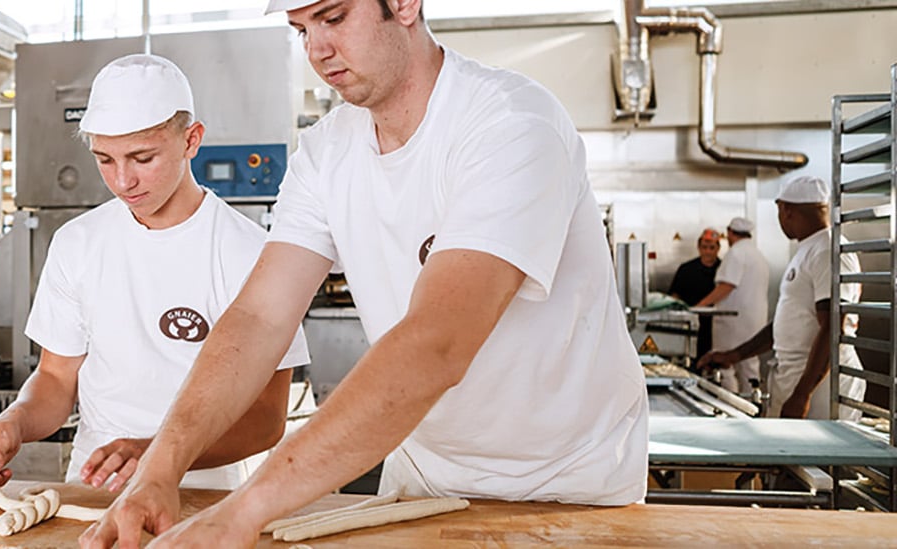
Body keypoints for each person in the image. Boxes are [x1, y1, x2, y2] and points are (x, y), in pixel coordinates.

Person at [80, 0, 648, 546]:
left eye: (333, 17)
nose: (318, 50)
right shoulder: (326, 153)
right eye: (302, 29)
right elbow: (258, 316)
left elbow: (437, 344)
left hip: (569, 484)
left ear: (404, 4)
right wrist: (161, 467)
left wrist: (245, 511)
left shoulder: (510, 125)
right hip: (424, 482)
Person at [0, 54, 310, 496]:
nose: (123, 181)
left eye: (143, 158)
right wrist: (12, 423)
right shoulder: (78, 243)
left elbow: (266, 419)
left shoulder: (249, 252)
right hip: (93, 492)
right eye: (105, 159)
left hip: (201, 495)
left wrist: (161, 452)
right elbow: (55, 380)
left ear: (191, 140)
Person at [699, 176, 865, 420]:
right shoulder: (808, 249)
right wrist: (733, 356)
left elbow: (832, 327)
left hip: (820, 388)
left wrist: (802, 394)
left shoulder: (827, 250)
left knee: (817, 457)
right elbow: (783, 324)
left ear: (786, 210)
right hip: (796, 379)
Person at [694, 217, 769, 393]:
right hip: (754, 321)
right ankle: (752, 406)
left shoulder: (736, 253)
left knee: (723, 364)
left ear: (730, 233)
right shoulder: (757, 255)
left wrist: (700, 306)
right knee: (749, 365)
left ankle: (729, 407)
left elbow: (726, 285)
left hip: (733, 323)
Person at [668, 228, 721, 359]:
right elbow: (674, 296)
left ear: (718, 248)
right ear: (698, 247)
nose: (707, 251)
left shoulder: (723, 269)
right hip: (689, 325)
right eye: (704, 247)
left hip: (715, 326)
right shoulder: (686, 269)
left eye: (711, 247)